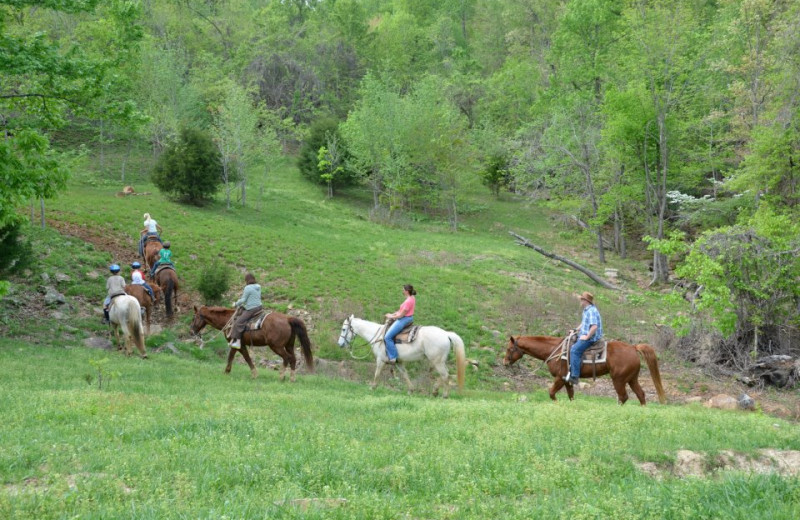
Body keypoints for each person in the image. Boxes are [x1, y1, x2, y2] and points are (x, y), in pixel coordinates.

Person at [566, 291, 603, 386]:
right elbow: (584, 323)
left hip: (591, 338)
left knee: (574, 350)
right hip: (585, 334)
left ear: (585, 301)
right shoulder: (587, 310)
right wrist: (575, 330)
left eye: (581, 300)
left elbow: (594, 327)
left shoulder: (591, 311)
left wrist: (586, 337)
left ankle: (575, 376)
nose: (580, 302)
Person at [383, 284, 416, 364]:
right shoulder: (411, 298)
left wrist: (391, 317)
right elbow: (401, 311)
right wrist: (393, 314)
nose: (402, 291)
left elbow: (401, 315)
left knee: (387, 337)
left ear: (407, 291)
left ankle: (393, 357)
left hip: (404, 319)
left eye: (403, 290)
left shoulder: (408, 301)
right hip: (407, 317)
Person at [229, 273, 263, 349]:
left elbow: (243, 299)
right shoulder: (258, 286)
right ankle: (232, 340)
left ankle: (237, 342)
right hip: (259, 307)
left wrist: (235, 304)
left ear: (246, 280)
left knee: (238, 322)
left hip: (252, 309)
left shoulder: (247, 288)